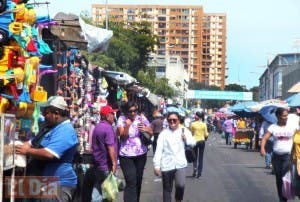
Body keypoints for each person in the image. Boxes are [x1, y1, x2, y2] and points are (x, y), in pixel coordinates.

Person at [15, 96, 78, 202]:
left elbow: (49, 153)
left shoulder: (66, 130)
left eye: (46, 113)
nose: (44, 116)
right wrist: (18, 146)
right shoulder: (48, 128)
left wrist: (27, 151)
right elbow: (31, 143)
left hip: (59, 185)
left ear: (56, 114)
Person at [153, 111, 195, 202]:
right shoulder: (163, 134)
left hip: (180, 164)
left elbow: (193, 142)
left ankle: (178, 199)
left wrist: (186, 139)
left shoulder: (184, 131)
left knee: (180, 185)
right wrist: (157, 166)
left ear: (178, 121)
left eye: (174, 120)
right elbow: (158, 150)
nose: (172, 122)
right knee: (167, 190)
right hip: (166, 165)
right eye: (170, 120)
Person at [117, 101, 153, 202]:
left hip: (141, 154)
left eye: (135, 111)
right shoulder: (122, 119)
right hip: (126, 155)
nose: (133, 113)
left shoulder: (141, 118)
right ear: (126, 111)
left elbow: (151, 131)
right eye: (130, 111)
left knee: (138, 180)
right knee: (131, 181)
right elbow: (123, 136)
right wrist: (128, 126)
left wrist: (145, 129)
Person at [260, 108, 297, 202]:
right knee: (279, 178)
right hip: (276, 156)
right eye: (284, 115)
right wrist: (262, 148)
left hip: (288, 156)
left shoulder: (292, 126)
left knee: (285, 176)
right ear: (278, 116)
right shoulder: (273, 127)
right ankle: (282, 198)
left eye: (286, 115)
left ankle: (286, 195)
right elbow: (265, 138)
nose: (286, 117)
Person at [90, 105, 119, 201]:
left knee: (97, 190)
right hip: (107, 166)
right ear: (107, 116)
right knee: (109, 195)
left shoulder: (97, 127)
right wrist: (114, 163)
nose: (114, 115)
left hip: (98, 165)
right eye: (112, 113)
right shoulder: (108, 128)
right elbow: (110, 147)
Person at [190, 111, 208, 178]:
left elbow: (191, 133)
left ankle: (195, 169)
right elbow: (206, 134)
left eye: (195, 115)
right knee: (201, 157)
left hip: (194, 141)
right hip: (202, 141)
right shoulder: (204, 124)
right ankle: (199, 173)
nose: (194, 116)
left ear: (197, 116)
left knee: (195, 156)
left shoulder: (193, 124)